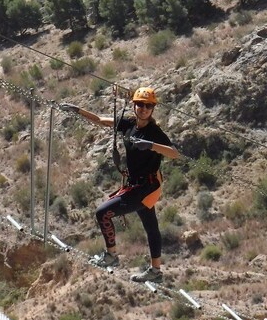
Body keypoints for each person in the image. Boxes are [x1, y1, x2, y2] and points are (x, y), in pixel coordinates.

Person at [61, 87, 179, 283]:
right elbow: (100, 120)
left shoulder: (154, 132)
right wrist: (78, 110)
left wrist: (150, 145)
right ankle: (156, 271)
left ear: (153, 109)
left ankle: (111, 255)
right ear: (134, 105)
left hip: (147, 187)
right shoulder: (128, 125)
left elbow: (174, 153)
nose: (143, 108)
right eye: (140, 104)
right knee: (151, 226)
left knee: (102, 213)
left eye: (148, 105)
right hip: (137, 185)